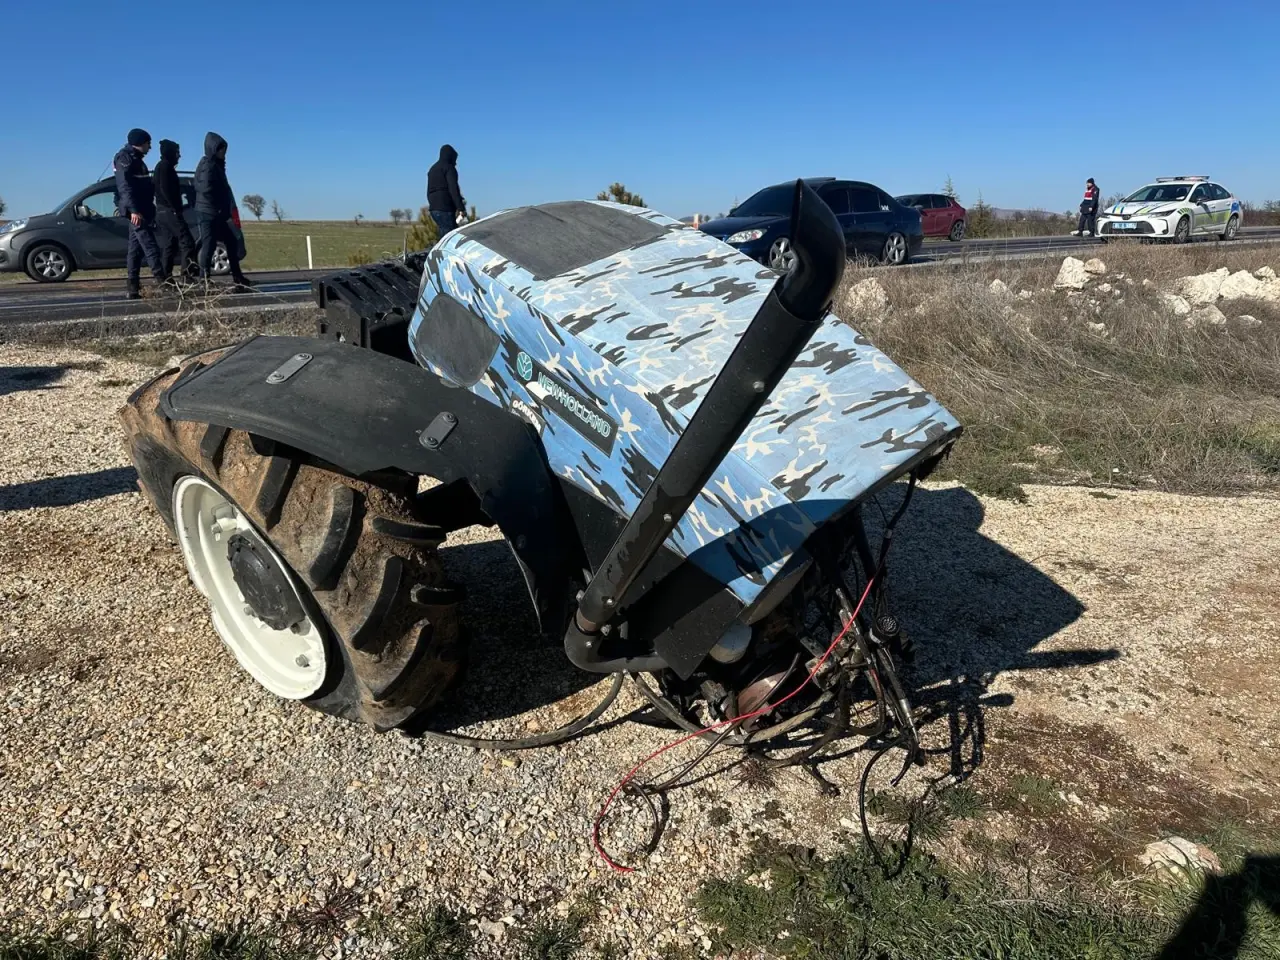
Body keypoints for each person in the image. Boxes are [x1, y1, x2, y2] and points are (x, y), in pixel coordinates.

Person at [194, 132, 253, 289]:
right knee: (209, 244)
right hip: (209, 212)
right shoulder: (208, 166)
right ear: (214, 149)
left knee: (231, 243)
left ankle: (237, 276)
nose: (224, 153)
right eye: (222, 150)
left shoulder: (215, 165)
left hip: (217, 212)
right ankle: (203, 279)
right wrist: (217, 202)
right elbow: (205, 188)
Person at [113, 128, 165, 299]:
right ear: (140, 143)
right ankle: (164, 282)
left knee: (134, 250)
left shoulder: (137, 160)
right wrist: (133, 210)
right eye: (148, 143)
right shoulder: (125, 158)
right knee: (150, 246)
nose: (150, 147)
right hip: (136, 212)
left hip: (143, 209)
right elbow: (125, 187)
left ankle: (133, 287)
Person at [153, 139, 197, 283]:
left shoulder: (161, 167)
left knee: (169, 245)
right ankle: (186, 276)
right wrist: (175, 208)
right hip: (168, 211)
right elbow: (165, 189)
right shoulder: (165, 167)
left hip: (161, 212)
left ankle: (166, 277)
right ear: (171, 153)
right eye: (177, 152)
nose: (179, 156)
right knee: (187, 242)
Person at [426, 144, 466, 236]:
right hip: (445, 208)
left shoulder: (432, 169)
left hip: (434, 209)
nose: (455, 163)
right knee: (451, 237)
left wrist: (433, 204)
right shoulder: (449, 168)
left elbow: (428, 192)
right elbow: (453, 189)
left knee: (443, 235)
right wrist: (461, 208)